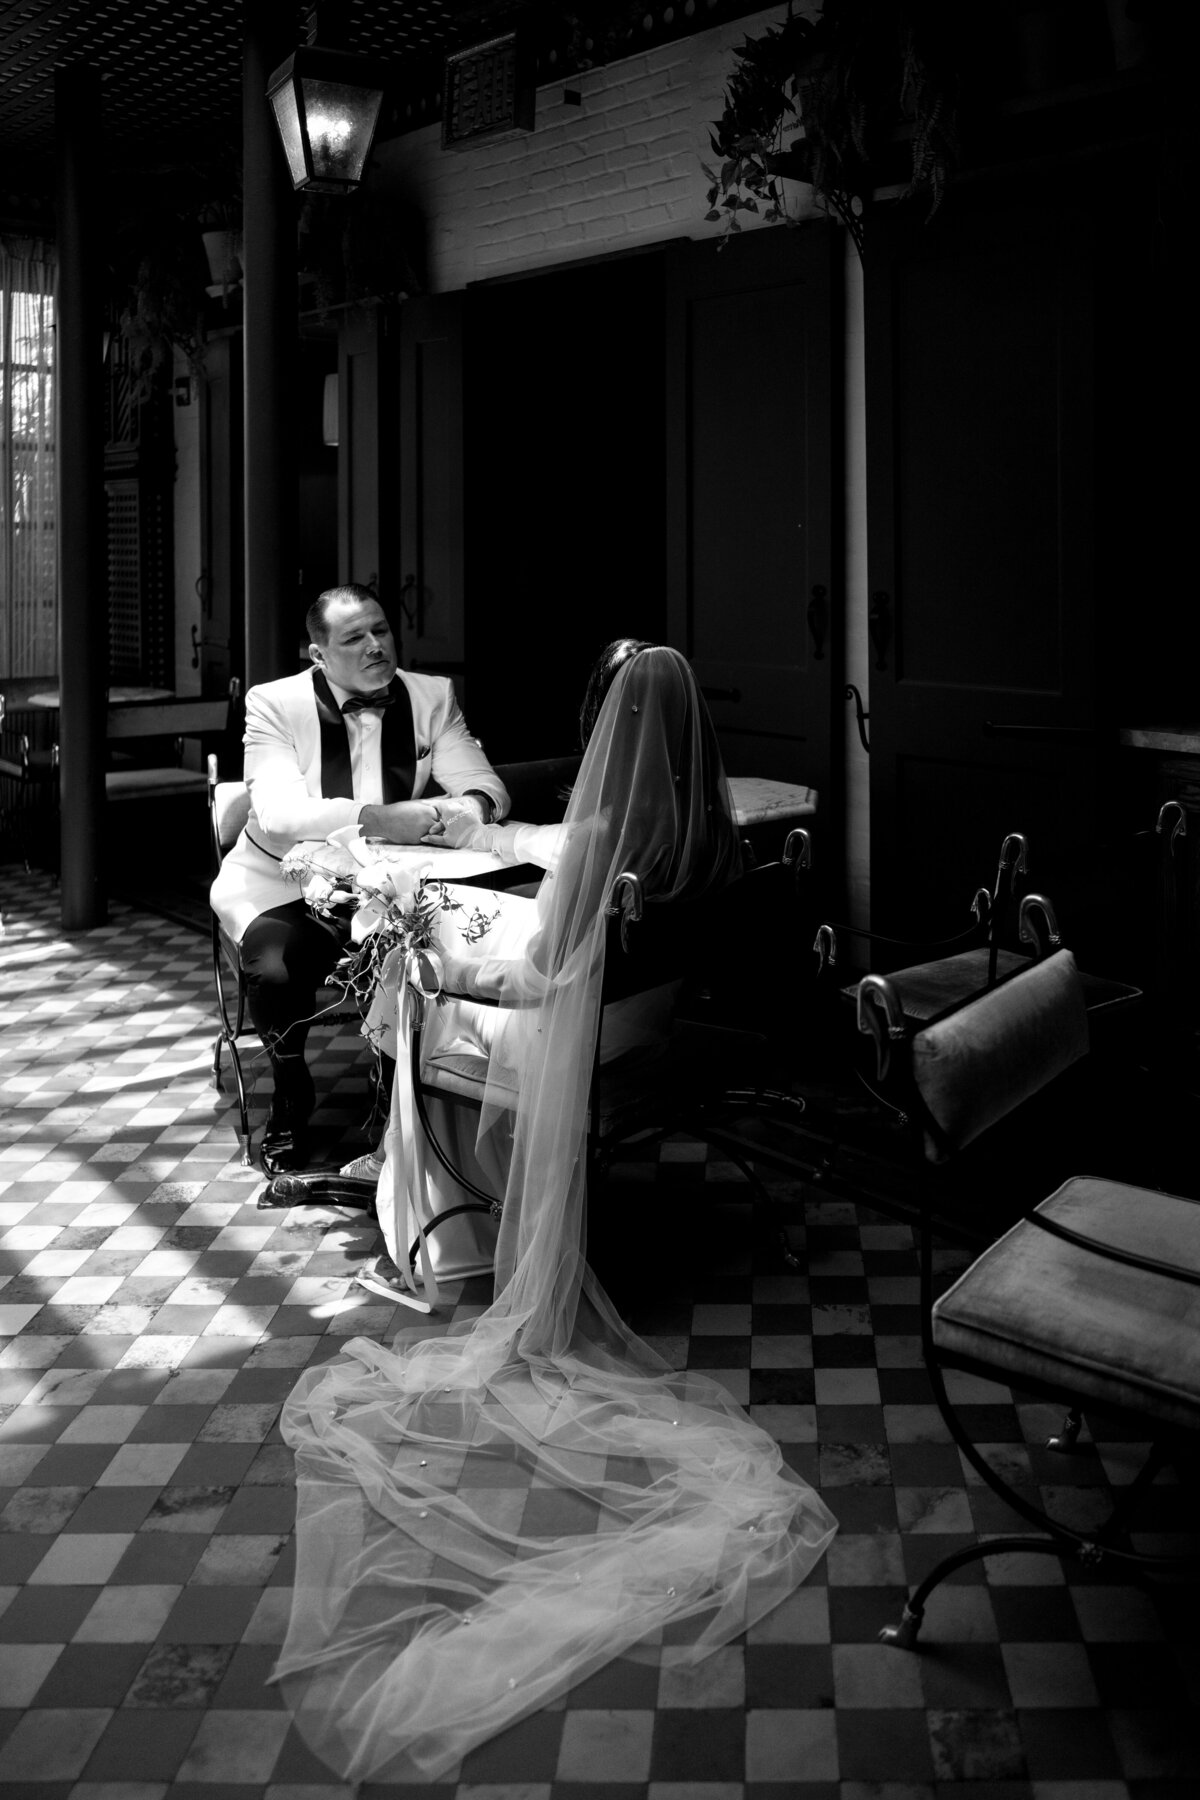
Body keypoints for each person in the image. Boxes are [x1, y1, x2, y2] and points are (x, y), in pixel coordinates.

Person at [274, 644, 837, 1783]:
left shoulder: (604, 840)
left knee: (413, 1003)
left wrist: (439, 954)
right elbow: (581, 909)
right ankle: (435, 1198)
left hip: (586, 1044)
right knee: (434, 967)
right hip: (658, 1025)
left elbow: (545, 974)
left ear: (611, 724)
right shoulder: (704, 825)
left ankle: (435, 1219)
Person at [209, 583, 509, 1174]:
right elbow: (275, 814)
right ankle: (290, 1087)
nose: (376, 645)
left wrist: (459, 811)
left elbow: (486, 787)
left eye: (381, 630)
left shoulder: (431, 696)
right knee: (274, 970)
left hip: (391, 886)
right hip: (282, 879)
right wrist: (371, 818)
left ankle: (397, 1111)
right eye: (355, 638)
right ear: (318, 654)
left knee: (421, 964)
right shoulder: (274, 703)